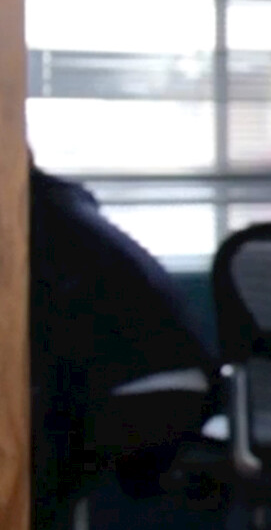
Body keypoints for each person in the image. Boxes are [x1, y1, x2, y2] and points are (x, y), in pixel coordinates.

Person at [29, 161, 219, 529]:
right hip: (174, 381)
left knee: (28, 464)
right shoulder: (60, 208)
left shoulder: (36, 222)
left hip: (141, 391)